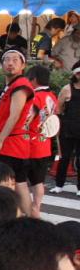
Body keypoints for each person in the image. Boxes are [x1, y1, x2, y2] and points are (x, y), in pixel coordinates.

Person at [0, 48, 35, 213]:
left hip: (12, 142)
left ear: (23, 65)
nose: (10, 64)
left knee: (7, 183)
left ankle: (18, 218)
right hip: (14, 141)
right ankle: (28, 220)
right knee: (18, 182)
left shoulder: (21, 85)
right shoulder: (12, 84)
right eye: (6, 60)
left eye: (15, 60)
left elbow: (14, 116)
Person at [26, 65, 58, 217]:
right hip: (44, 144)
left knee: (20, 180)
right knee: (38, 181)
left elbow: (28, 119)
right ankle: (37, 208)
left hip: (30, 144)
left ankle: (30, 210)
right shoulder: (52, 96)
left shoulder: (35, 96)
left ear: (34, 79)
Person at [53, 60, 80, 194]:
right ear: (75, 74)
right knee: (64, 158)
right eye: (79, 73)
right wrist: (57, 125)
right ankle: (59, 184)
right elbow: (58, 108)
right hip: (67, 128)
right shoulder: (66, 89)